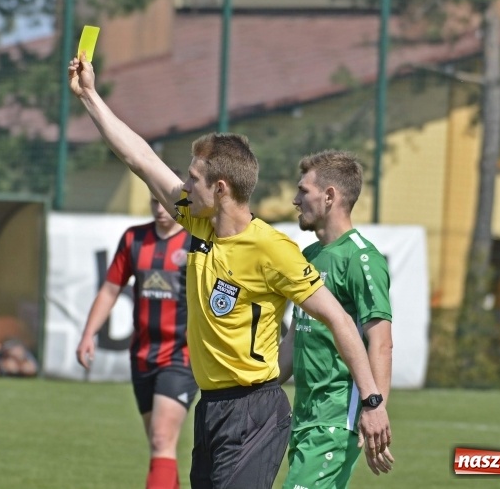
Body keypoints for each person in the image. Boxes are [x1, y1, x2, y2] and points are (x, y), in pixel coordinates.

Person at [69, 54, 392, 489]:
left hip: (254, 413)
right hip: (212, 409)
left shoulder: (272, 250)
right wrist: (90, 96)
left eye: (192, 179)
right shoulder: (199, 221)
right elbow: (141, 159)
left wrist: (372, 401)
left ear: (219, 189)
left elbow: (340, 319)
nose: (184, 187)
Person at [278, 151, 395, 488]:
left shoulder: (361, 258)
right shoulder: (309, 256)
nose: (295, 200)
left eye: (303, 191)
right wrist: (260, 389)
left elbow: (381, 343)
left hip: (337, 416)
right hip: (304, 415)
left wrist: (375, 410)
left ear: (329, 196)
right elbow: (295, 337)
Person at [76, 189, 197, 489]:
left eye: (166, 203)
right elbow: (110, 289)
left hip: (181, 356)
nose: (160, 209)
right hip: (142, 355)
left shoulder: (195, 241)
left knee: (161, 438)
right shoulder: (134, 238)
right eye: (155, 202)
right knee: (159, 444)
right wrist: (88, 333)